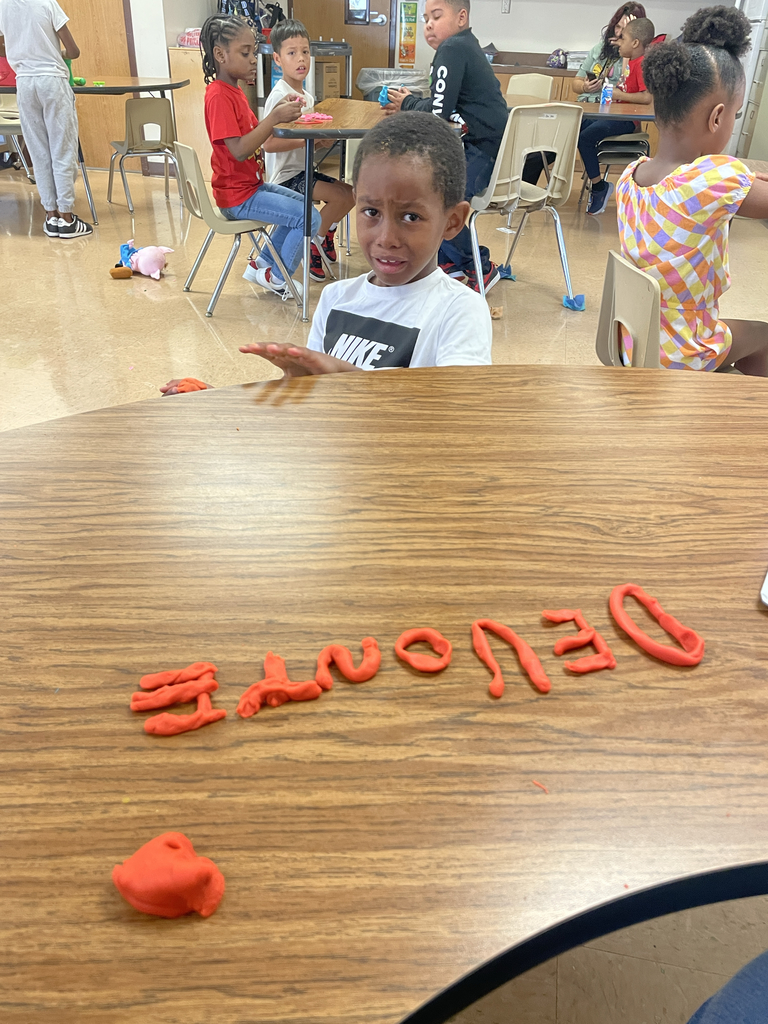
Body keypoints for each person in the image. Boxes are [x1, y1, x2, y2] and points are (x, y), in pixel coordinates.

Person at [160, 111, 492, 389]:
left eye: (410, 216)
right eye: (371, 212)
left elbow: (453, 420)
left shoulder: (460, 310)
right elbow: (313, 416)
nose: (386, 237)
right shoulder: (335, 299)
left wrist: (348, 383)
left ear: (452, 221)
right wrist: (213, 404)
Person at [615, 5, 768, 376]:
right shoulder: (714, 179)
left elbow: (724, 183)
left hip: (633, 341)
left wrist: (743, 176)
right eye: (735, 114)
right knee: (765, 335)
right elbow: (734, 184)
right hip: (683, 350)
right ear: (717, 117)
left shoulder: (630, 177)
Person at [383, 0, 509, 294]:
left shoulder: (452, 48)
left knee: (439, 204)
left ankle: (480, 266)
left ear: (461, 17)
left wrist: (407, 104)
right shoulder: (465, 44)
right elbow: (444, 103)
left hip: (482, 151)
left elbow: (439, 112)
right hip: (484, 146)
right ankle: (447, 261)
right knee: (428, 191)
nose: (428, 24)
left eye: (436, 16)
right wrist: (413, 102)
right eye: (426, 18)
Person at [200, 13, 321, 300]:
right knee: (309, 218)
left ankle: (263, 265)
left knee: (302, 206)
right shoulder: (218, 96)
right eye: (246, 53)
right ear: (220, 54)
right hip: (237, 198)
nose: (254, 59)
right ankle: (278, 277)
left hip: (249, 188)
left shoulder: (236, 91)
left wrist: (278, 110)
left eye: (253, 52)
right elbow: (240, 150)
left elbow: (251, 134)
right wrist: (273, 118)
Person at [259, 18, 354, 283]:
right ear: (277, 59)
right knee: (339, 196)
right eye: (292, 53)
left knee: (350, 194)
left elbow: (306, 137)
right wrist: (307, 140)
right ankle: (315, 241)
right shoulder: (280, 96)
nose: (301, 59)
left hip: (303, 171)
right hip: (286, 179)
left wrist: (319, 141)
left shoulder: (307, 96)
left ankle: (323, 235)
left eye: (305, 52)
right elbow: (268, 143)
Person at [0, 0, 92, 237]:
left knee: (38, 151)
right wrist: (55, 52)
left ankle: (51, 216)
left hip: (25, 83)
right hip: (52, 81)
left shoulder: (3, 6)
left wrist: (19, 51)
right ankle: (68, 218)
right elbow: (74, 51)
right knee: (62, 148)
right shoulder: (47, 3)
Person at [581, 16, 655, 216]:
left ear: (635, 43)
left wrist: (618, 94)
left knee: (585, 138)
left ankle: (599, 188)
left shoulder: (642, 64)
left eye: (623, 39)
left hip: (626, 121)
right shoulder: (631, 62)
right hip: (615, 116)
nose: (618, 43)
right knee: (578, 125)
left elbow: (647, 97)